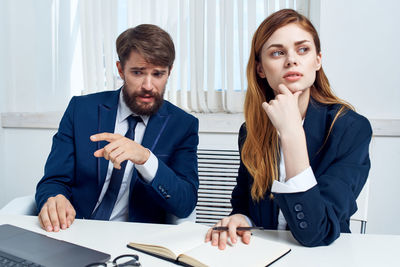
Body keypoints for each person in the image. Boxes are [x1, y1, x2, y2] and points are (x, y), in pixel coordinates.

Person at [205, 9, 372, 248]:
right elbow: (243, 202)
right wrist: (241, 218)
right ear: (260, 69)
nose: (291, 59)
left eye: (303, 49)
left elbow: (316, 233)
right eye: (277, 52)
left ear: (318, 60)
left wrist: (292, 133)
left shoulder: (351, 128)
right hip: (265, 252)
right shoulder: (251, 131)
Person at [35, 24, 199, 232]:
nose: (148, 85)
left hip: (134, 242)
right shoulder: (81, 110)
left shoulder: (183, 125)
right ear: (120, 70)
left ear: (169, 72)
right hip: (74, 231)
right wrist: (54, 199)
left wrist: (146, 159)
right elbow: (53, 180)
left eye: (158, 74)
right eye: (138, 72)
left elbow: (185, 204)